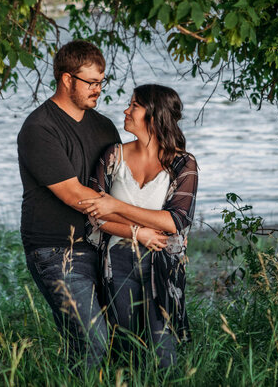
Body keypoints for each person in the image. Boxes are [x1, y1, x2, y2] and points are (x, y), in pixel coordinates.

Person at [17, 40, 163, 371]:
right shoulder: (39, 129)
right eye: (91, 83)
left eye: (101, 81)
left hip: (106, 244)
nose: (98, 90)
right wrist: (139, 228)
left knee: (125, 341)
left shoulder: (103, 126)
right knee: (91, 341)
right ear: (67, 79)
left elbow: (124, 180)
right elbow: (74, 195)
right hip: (57, 250)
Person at [78, 84, 198, 369]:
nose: (126, 110)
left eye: (134, 105)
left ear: (153, 117)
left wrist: (116, 206)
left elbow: (174, 221)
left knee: (163, 351)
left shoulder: (183, 164)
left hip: (162, 265)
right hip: (117, 263)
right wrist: (138, 231)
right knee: (126, 348)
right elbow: (95, 215)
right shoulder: (113, 157)